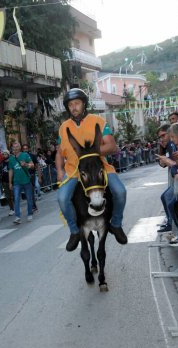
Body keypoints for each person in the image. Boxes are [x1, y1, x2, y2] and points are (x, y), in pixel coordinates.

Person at [56, 88, 127, 251]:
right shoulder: (63, 127)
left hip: (99, 167)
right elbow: (60, 152)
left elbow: (111, 145)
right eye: (70, 105)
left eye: (77, 103)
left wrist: (90, 154)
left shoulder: (98, 121)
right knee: (62, 199)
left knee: (120, 192)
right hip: (73, 171)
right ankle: (74, 231)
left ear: (84, 104)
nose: (73, 107)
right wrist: (60, 171)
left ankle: (115, 224)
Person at [8, 142, 34, 224]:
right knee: (16, 199)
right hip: (16, 182)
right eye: (13, 147)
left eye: (16, 147)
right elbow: (10, 170)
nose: (15, 148)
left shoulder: (25, 155)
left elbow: (32, 165)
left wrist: (26, 164)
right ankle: (17, 217)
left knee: (29, 198)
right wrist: (10, 182)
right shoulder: (11, 158)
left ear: (19, 148)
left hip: (26, 181)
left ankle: (30, 214)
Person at [0, 149, 14, 216]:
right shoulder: (2, 163)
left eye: (6, 154)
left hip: (12, 181)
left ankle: (15, 207)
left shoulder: (11, 161)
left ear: (8, 154)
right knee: (8, 196)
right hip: (4, 181)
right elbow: (0, 171)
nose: (4, 155)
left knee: (13, 195)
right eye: (3, 154)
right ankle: (11, 209)